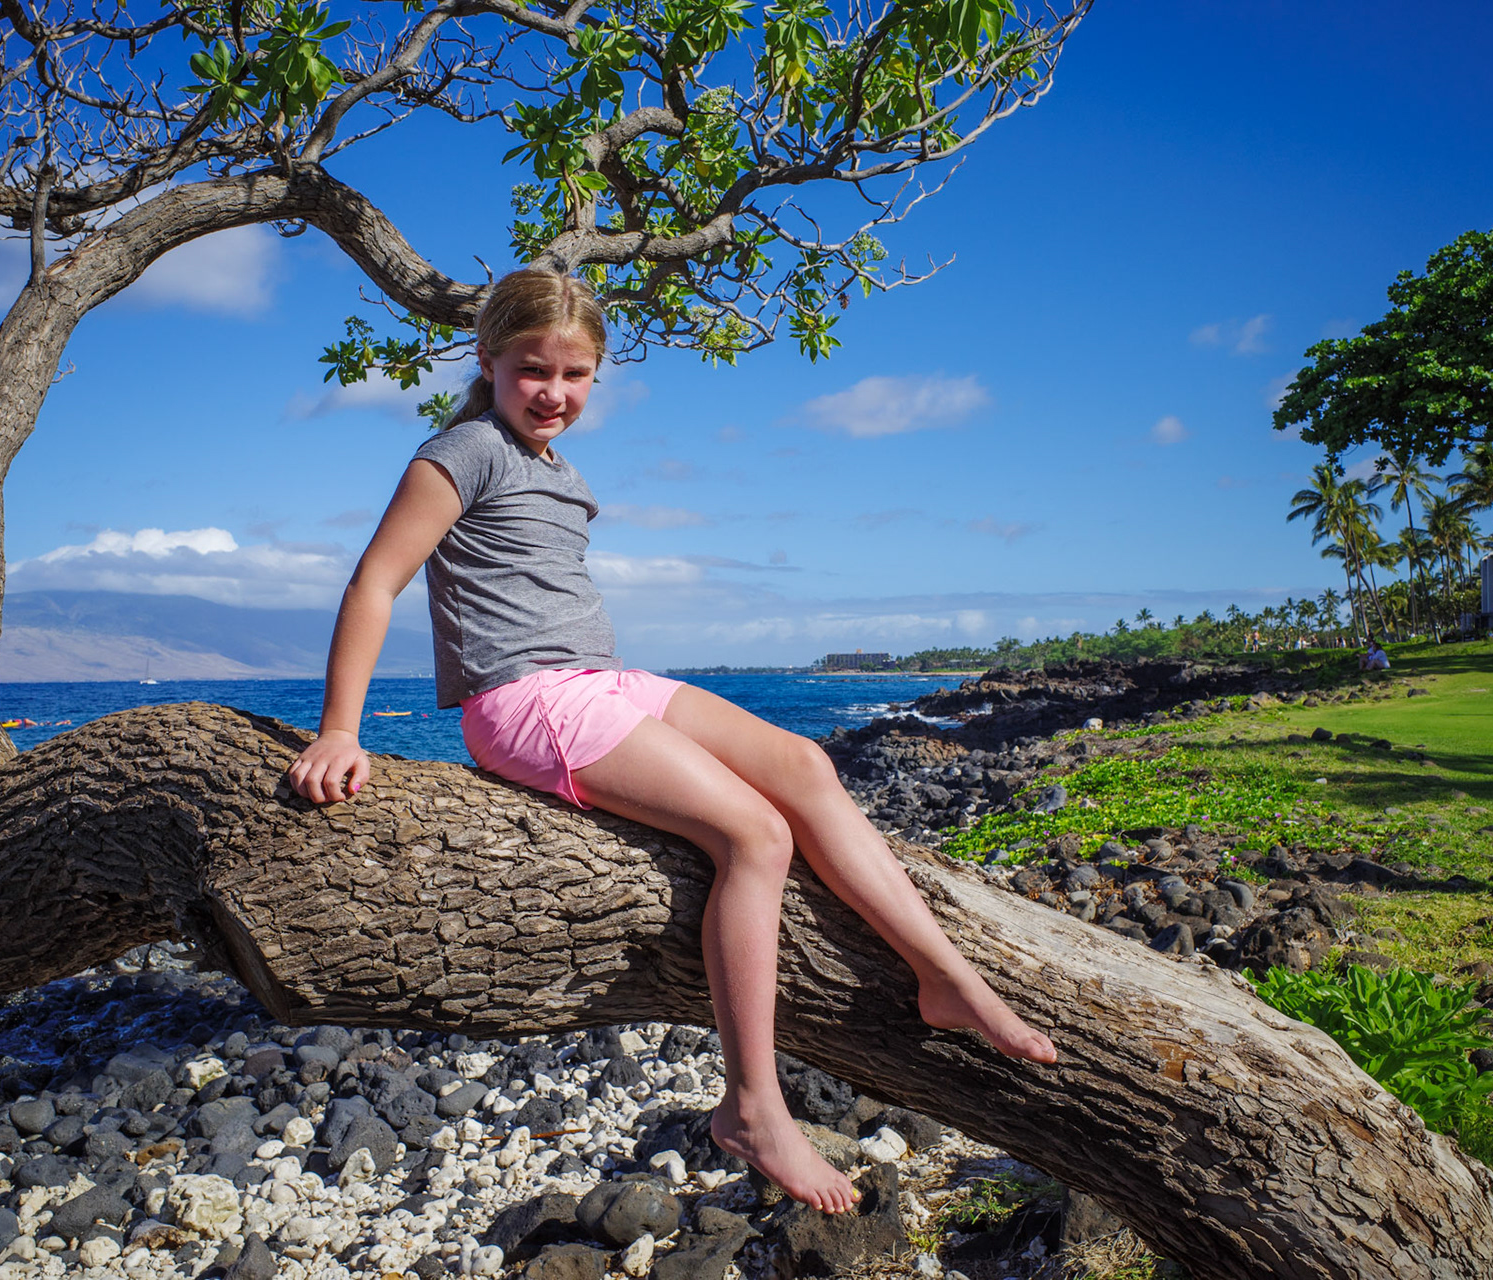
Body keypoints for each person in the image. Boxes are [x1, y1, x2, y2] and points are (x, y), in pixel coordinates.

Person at [287, 268, 1056, 1214]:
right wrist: (338, 729)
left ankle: (946, 977)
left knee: (807, 768)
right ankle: (752, 1106)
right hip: (527, 702)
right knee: (754, 835)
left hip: (603, 681)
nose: (554, 393)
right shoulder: (461, 452)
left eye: (577, 375)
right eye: (533, 369)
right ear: (488, 359)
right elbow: (374, 583)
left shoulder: (562, 473)